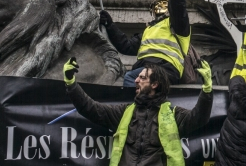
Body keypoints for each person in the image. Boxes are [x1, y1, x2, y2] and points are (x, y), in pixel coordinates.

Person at [63, 59, 213, 166]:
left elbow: (199, 118)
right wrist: (71, 83)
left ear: (154, 84)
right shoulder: (125, 112)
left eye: (142, 78)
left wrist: (207, 90)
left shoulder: (172, 115)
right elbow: (91, 109)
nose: (135, 81)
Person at [119, 0, 191, 87]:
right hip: (147, 67)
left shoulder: (177, 23)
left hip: (166, 68)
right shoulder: (149, 29)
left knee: (130, 77)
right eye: (156, 4)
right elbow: (126, 46)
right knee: (132, 75)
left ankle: (138, 106)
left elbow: (178, 3)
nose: (159, 7)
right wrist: (109, 24)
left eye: (163, 4)